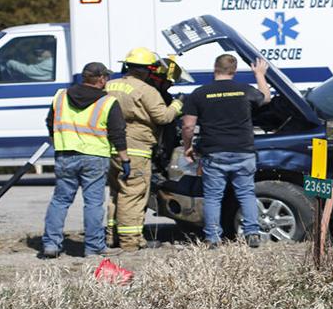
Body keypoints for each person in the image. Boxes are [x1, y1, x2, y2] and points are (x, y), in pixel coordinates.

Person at [181, 54, 271, 248]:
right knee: (246, 193)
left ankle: (213, 239)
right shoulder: (244, 91)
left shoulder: (199, 93)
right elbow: (266, 98)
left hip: (214, 152)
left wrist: (187, 147)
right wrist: (259, 74)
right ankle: (252, 233)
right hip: (243, 151)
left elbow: (188, 126)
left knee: (213, 197)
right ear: (234, 71)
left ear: (215, 68)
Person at [40, 62, 127, 259]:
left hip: (65, 155)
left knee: (60, 200)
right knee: (94, 203)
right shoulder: (108, 102)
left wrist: (60, 143)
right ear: (102, 79)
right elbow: (117, 133)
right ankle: (94, 248)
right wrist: (125, 160)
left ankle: (51, 245)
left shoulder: (61, 96)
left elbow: (49, 123)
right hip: (95, 157)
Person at [105, 47, 184, 251]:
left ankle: (111, 236)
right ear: (147, 70)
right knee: (133, 195)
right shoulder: (146, 90)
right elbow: (163, 117)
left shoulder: (109, 85)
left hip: (110, 148)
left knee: (117, 193)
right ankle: (130, 241)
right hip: (136, 150)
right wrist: (177, 104)